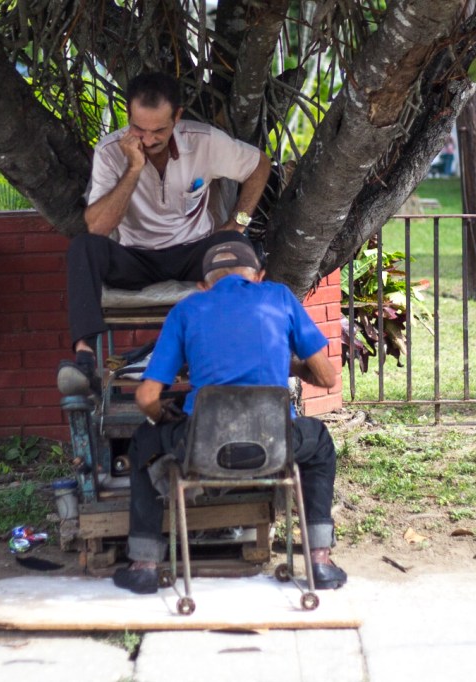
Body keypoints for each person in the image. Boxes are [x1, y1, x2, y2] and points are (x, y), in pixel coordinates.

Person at [111, 232, 348, 595]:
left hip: (201, 450)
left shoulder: (187, 310)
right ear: (259, 275)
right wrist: (290, 366)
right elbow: (328, 377)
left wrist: (162, 417)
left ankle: (143, 565)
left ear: (203, 284)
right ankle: (319, 560)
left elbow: (146, 397)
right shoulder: (280, 298)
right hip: (275, 446)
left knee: (144, 441)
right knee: (320, 442)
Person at [57, 72, 272, 396]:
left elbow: (259, 165)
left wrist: (238, 221)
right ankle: (85, 360)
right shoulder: (110, 151)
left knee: (235, 246)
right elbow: (99, 227)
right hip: (135, 256)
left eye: (159, 130)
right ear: (128, 116)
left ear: (177, 117)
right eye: (139, 128)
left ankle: (240, 354)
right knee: (83, 248)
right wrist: (132, 168)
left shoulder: (204, 142)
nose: (149, 138)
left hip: (194, 251)